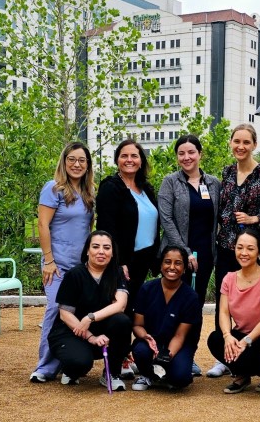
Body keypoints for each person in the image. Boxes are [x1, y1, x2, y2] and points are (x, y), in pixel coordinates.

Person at [208, 123, 260, 378]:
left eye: (246, 142)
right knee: (223, 302)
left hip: (251, 250)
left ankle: (252, 346)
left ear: (254, 144)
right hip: (226, 246)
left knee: (254, 303)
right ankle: (226, 355)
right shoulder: (226, 173)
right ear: (231, 143)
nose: (240, 146)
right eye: (236, 141)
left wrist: (253, 219)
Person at [30, 142, 94, 384]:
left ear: (88, 165)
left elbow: (88, 230)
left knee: (75, 313)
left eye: (82, 160)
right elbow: (42, 225)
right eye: (72, 159)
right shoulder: (53, 188)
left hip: (79, 267)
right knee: (55, 310)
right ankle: (45, 366)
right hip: (56, 264)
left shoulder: (88, 193)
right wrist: (48, 260)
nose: (77, 164)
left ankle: (69, 364)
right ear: (64, 162)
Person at [158, 134, 220, 377]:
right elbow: (167, 220)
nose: (186, 157)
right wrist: (184, 253)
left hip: (205, 256)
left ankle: (189, 355)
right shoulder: (170, 182)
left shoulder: (213, 183)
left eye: (191, 152)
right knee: (171, 306)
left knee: (193, 307)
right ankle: (163, 351)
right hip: (175, 257)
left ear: (200, 154)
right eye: (181, 153)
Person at [47, 230, 132, 391]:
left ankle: (111, 373)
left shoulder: (117, 273)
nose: (101, 251)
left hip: (99, 330)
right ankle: (69, 368)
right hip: (72, 332)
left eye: (107, 248)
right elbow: (65, 314)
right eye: (95, 247)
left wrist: (90, 318)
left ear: (112, 253)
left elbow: (120, 304)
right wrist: (91, 336)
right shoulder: (75, 274)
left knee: (122, 321)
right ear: (87, 250)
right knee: (79, 364)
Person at [207, 228, 260, 393]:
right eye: (239, 247)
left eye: (250, 248)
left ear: (259, 253)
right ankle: (242, 374)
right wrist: (228, 337)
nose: (244, 253)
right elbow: (224, 312)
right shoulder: (229, 278)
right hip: (241, 334)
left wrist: (245, 342)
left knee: (255, 354)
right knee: (215, 339)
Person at [96, 138, 159, 315]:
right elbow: (106, 228)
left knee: (135, 308)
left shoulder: (146, 188)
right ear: (117, 160)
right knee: (119, 308)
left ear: (141, 161)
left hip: (144, 258)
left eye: (134, 156)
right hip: (125, 260)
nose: (129, 159)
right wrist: (118, 261)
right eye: (124, 156)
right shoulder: (110, 187)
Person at [130, 246, 202, 391]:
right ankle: (147, 375)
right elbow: (137, 324)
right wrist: (146, 338)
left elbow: (180, 335)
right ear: (161, 264)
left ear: (184, 267)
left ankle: (166, 372)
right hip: (152, 341)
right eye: (167, 262)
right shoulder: (147, 289)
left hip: (178, 345)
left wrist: (165, 357)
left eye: (178, 263)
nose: (172, 267)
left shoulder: (190, 297)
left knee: (180, 379)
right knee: (141, 351)